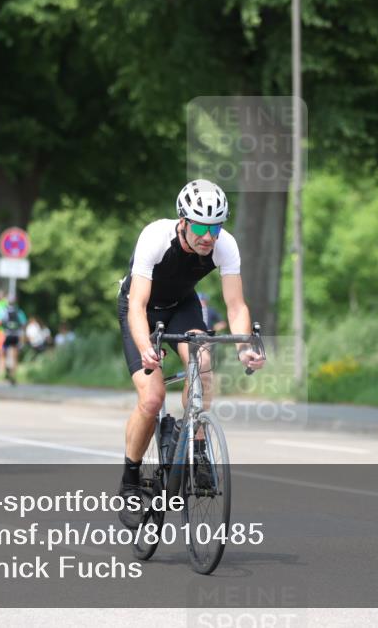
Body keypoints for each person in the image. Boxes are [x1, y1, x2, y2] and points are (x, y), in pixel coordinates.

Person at [116, 179, 264, 528]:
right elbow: (137, 304)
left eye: (215, 227)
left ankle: (195, 446)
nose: (208, 236)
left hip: (181, 306)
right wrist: (145, 348)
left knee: (205, 364)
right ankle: (130, 480)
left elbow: (235, 303)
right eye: (200, 226)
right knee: (152, 400)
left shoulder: (224, 245)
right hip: (142, 309)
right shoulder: (155, 237)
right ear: (182, 221)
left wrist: (245, 346)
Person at [0, 297, 27, 385]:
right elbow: (24, 324)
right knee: (15, 356)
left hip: (6, 335)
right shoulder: (19, 311)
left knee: (3, 354)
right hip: (16, 335)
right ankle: (14, 375)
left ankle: (7, 372)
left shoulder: (3, 311)